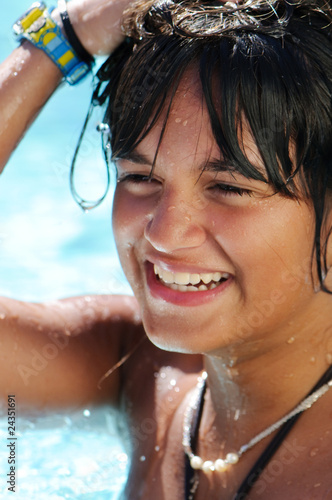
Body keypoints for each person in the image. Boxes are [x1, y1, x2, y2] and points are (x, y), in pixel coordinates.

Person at [1, 0, 332, 499]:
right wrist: (61, 40)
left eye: (229, 188)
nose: (164, 233)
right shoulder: (146, 372)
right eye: (140, 178)